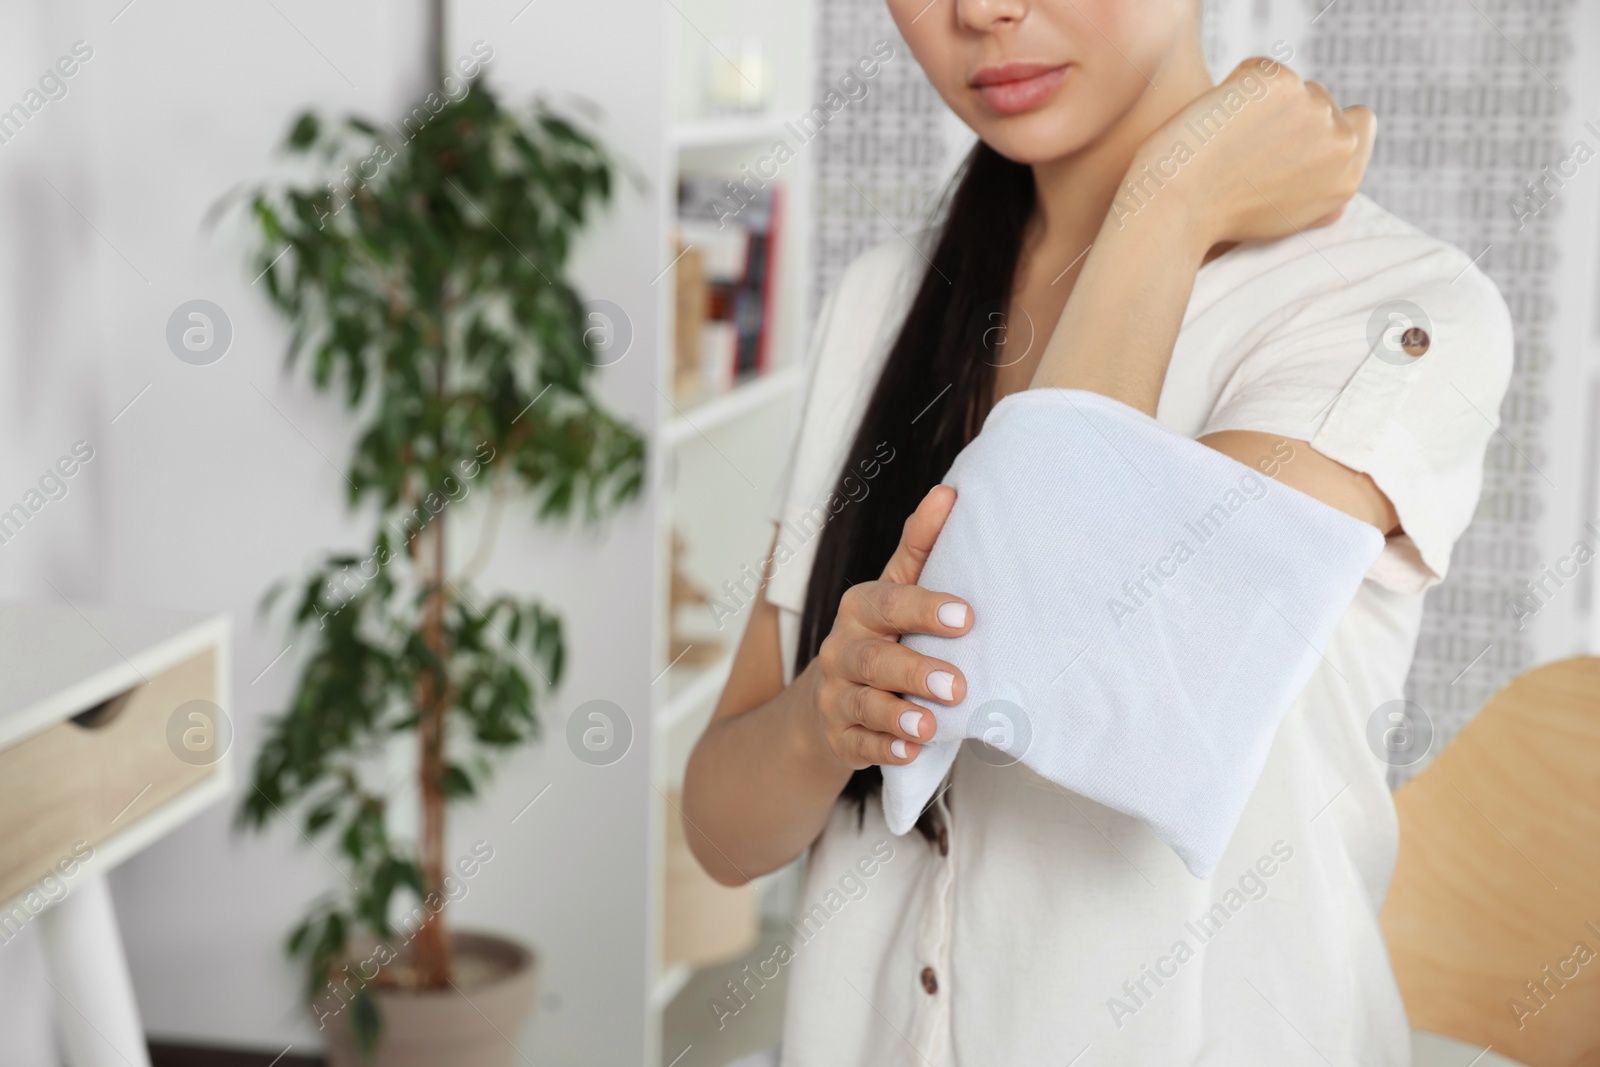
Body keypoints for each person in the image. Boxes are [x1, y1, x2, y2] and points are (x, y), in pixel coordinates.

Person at [681, 0, 1513, 1062]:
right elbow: (719, 829)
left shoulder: (1388, 310)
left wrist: (1165, 208)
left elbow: (1052, 662)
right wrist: (823, 714)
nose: (979, 11)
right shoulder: (880, 302)